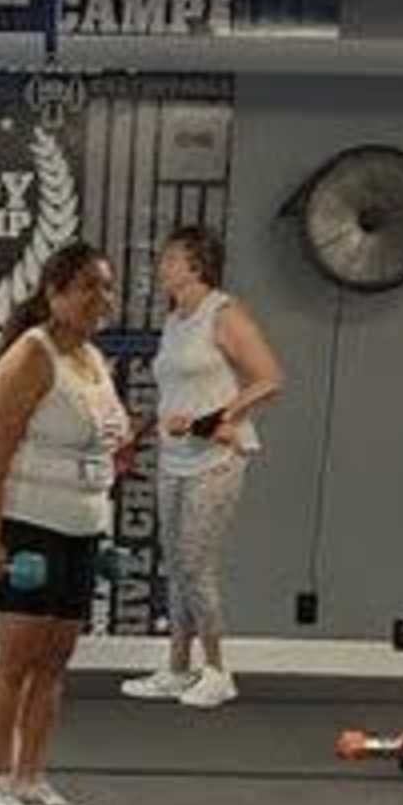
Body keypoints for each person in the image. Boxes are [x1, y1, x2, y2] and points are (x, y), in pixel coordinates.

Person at [0, 241, 130, 805]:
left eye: (106, 287)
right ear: (54, 293)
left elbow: (109, 441)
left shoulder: (92, 360)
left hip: (82, 527)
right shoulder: (29, 357)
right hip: (29, 524)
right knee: (15, 659)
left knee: (54, 662)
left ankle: (29, 777)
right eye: (88, 286)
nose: (100, 298)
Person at [122, 225, 284, 709]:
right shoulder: (175, 320)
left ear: (196, 266)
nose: (161, 266)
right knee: (175, 564)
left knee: (197, 564)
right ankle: (177, 667)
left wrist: (219, 418)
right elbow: (175, 398)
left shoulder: (224, 312)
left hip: (217, 456)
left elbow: (270, 379)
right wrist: (141, 431)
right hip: (173, 457)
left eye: (170, 259)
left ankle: (217, 669)